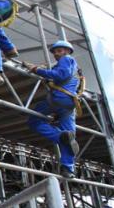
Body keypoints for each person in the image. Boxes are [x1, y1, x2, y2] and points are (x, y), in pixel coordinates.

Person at [23, 40, 82, 178]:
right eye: (55, 51)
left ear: (67, 51)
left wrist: (38, 70)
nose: (56, 54)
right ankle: (68, 169)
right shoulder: (76, 69)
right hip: (70, 104)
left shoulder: (67, 60)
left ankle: (58, 136)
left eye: (59, 50)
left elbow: (61, 75)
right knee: (69, 134)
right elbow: (59, 76)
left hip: (59, 99)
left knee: (34, 120)